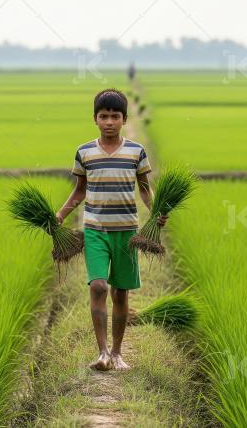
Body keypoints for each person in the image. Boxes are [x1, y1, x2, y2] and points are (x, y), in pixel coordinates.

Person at [55, 88, 167, 371]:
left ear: (124, 119)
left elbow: (145, 190)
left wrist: (157, 215)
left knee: (120, 292)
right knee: (98, 286)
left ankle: (117, 353)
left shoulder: (135, 152)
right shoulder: (84, 153)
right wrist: (60, 215)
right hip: (94, 229)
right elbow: (79, 192)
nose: (109, 121)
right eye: (103, 116)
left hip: (127, 232)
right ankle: (102, 352)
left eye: (115, 116)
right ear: (95, 119)